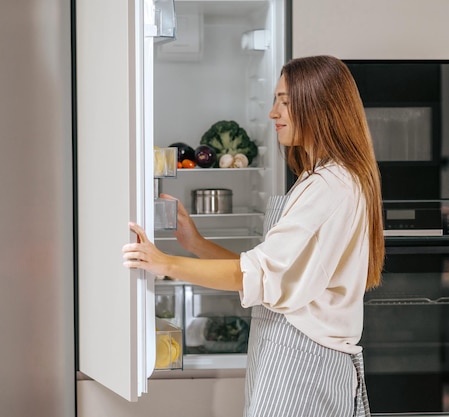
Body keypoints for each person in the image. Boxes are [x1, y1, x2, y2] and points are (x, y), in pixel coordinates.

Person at [122, 55, 385, 417]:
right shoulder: (318, 179)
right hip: (291, 353)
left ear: (320, 107)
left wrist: (164, 262)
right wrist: (195, 244)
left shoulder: (331, 185)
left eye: (286, 102)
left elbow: (259, 274)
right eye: (276, 100)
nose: (273, 113)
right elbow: (273, 273)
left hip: (302, 362)